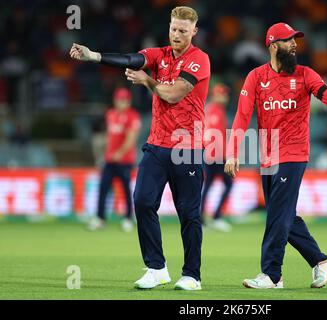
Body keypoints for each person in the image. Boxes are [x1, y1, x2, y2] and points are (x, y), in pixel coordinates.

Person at [225, 22, 327, 289]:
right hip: (268, 157)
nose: (295, 44)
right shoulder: (256, 77)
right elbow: (242, 116)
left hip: (293, 154)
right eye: (289, 40)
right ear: (273, 45)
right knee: (284, 215)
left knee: (278, 216)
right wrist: (233, 152)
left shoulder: (306, 75)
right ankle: (320, 261)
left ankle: (272, 275)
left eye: (296, 40)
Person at [70, 6, 210, 291]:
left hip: (188, 148)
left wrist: (147, 80)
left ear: (194, 32)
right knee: (143, 201)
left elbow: (173, 94)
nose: (176, 35)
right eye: (173, 28)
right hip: (157, 145)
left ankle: (192, 275)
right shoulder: (158, 54)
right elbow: (133, 59)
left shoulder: (200, 59)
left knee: (189, 213)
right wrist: (94, 56)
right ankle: (156, 268)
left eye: (183, 30)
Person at [87, 87, 141, 233]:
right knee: (103, 188)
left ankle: (128, 218)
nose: (121, 103)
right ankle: (100, 218)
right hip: (109, 159)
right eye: (118, 100)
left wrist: (120, 153)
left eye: (123, 100)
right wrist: (105, 153)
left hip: (125, 160)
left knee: (125, 189)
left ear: (128, 101)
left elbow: (131, 138)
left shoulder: (133, 116)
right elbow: (109, 137)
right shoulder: (110, 114)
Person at [201, 83, 233, 232]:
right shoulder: (214, 110)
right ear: (215, 95)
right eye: (222, 94)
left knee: (208, 186)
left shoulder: (214, 109)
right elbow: (214, 135)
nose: (225, 97)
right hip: (215, 155)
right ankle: (215, 217)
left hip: (213, 154)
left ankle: (204, 219)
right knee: (225, 184)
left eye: (225, 94)